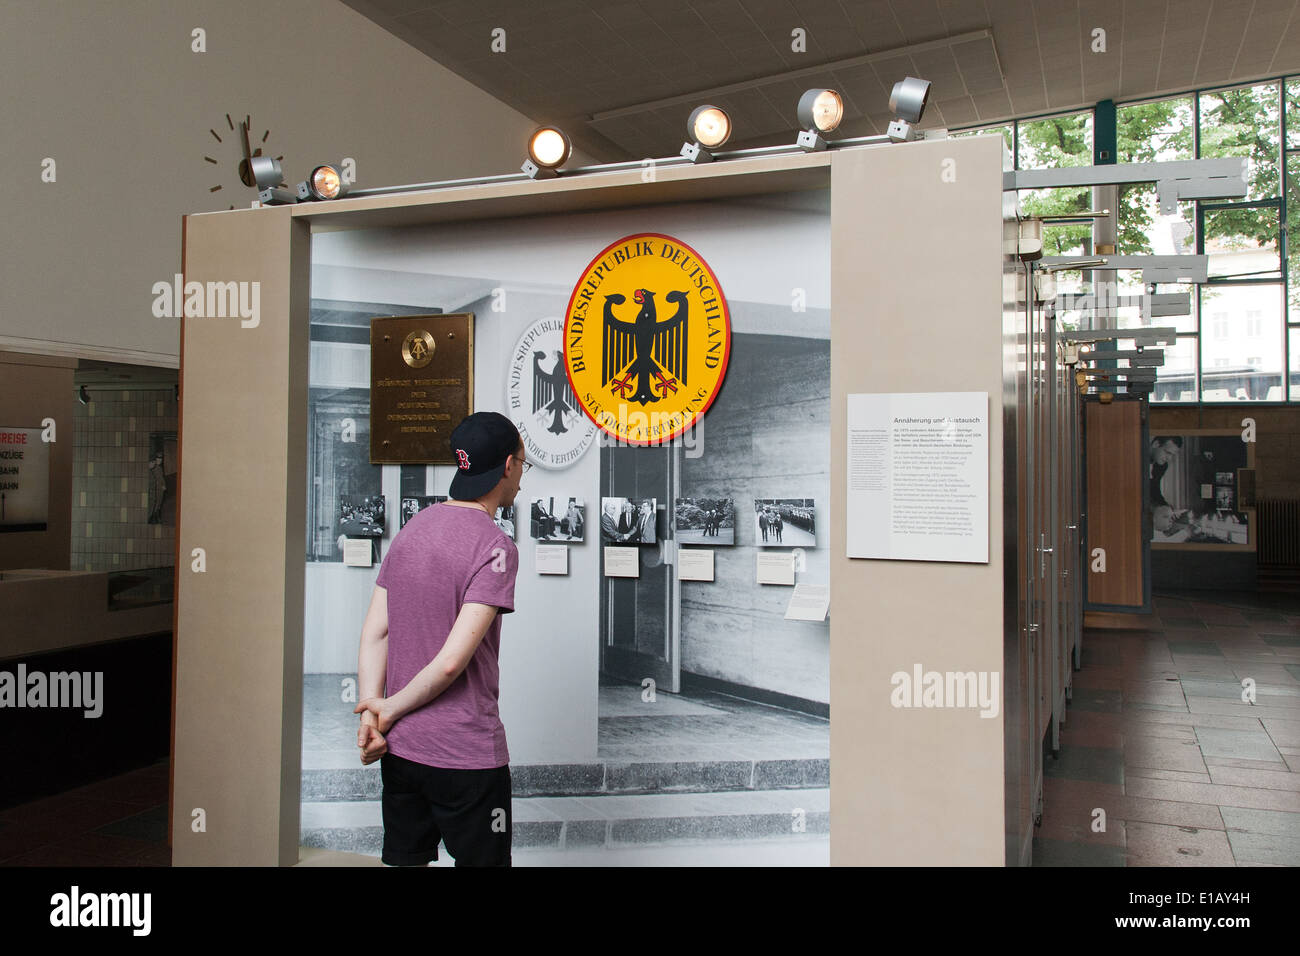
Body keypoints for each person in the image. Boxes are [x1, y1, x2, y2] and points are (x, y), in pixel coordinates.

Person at [354, 411, 525, 867]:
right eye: (523, 465)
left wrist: (375, 711)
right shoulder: (495, 546)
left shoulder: (413, 529)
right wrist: (385, 709)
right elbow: (452, 663)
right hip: (466, 757)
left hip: (402, 750)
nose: (522, 477)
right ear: (508, 466)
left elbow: (376, 631)